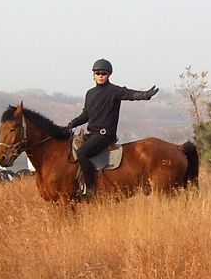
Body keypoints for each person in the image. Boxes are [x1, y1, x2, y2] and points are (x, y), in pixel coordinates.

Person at [66, 59, 159, 199]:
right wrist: (71, 124)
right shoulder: (89, 93)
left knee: (82, 153)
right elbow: (86, 115)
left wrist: (145, 95)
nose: (100, 76)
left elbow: (130, 94)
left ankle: (91, 190)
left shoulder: (114, 91)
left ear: (108, 75)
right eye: (98, 73)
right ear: (93, 75)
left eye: (103, 73)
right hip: (92, 134)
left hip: (105, 135)